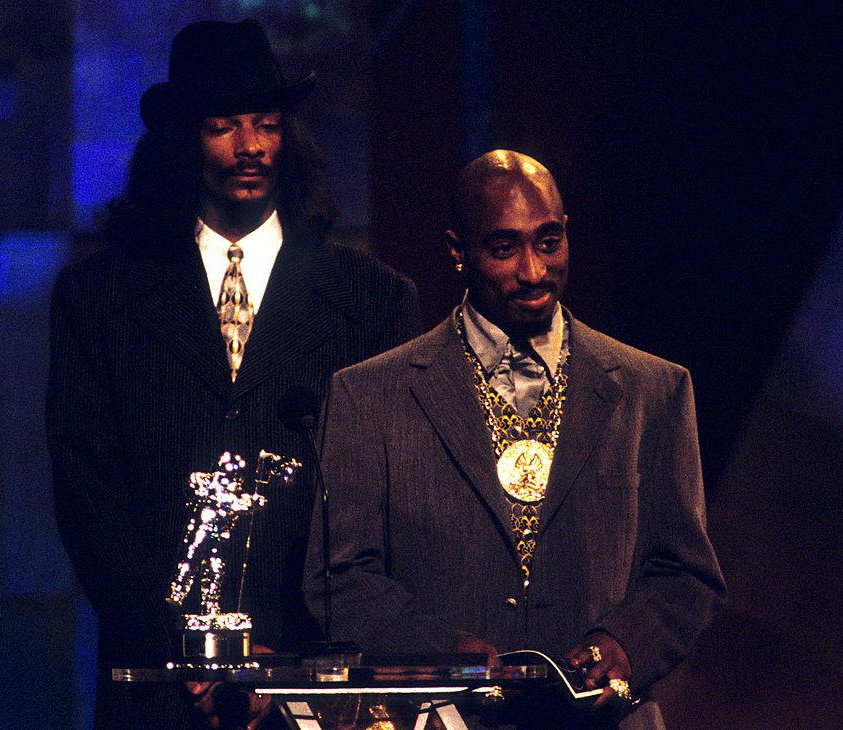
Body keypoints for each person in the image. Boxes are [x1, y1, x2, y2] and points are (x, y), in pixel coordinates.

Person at [47, 19, 420, 728]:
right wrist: (180, 651)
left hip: (315, 684)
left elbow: (386, 509)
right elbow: (87, 496)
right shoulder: (99, 299)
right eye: (222, 126)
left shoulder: (373, 301)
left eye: (266, 124)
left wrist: (303, 661)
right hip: (154, 687)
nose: (249, 148)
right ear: (183, 140)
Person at [305, 150, 724, 728]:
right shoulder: (369, 396)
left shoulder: (655, 390)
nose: (533, 271)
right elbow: (338, 577)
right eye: (504, 249)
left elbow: (687, 572)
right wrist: (444, 654)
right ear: (457, 252)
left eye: (548, 242)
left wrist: (622, 646)